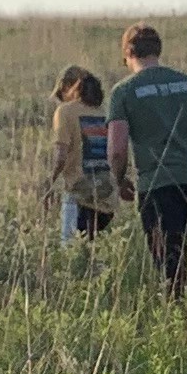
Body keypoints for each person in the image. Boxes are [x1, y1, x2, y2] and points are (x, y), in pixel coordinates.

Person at [108, 25, 187, 298]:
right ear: (158, 49)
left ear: (128, 53)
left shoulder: (124, 91)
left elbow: (116, 149)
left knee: (168, 263)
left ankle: (179, 314)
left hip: (156, 183)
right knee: (184, 251)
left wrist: (119, 179)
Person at [48, 66, 133, 242]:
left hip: (79, 195)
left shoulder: (65, 112)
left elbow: (61, 156)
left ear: (68, 88)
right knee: (98, 256)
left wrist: (49, 183)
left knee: (72, 252)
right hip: (107, 198)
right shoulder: (105, 112)